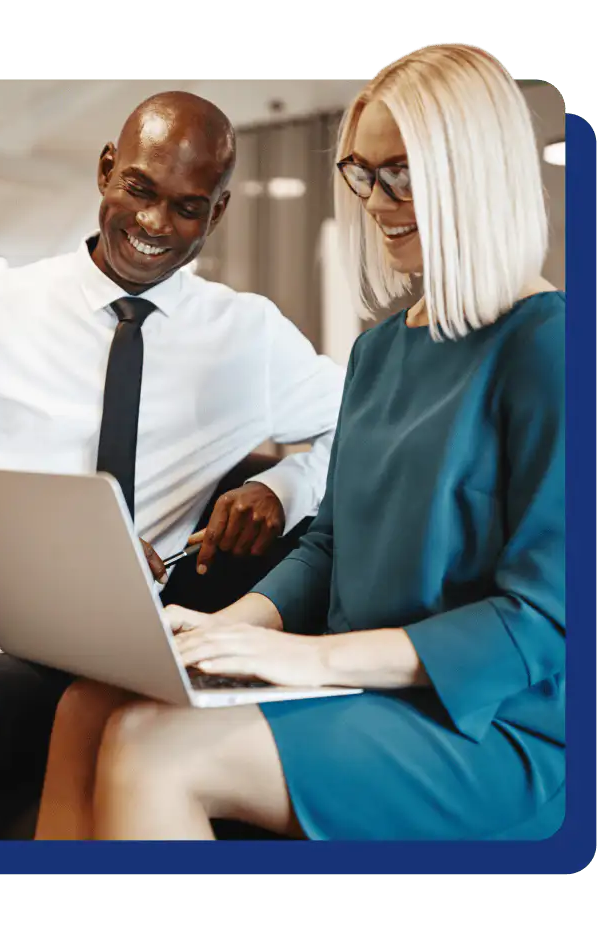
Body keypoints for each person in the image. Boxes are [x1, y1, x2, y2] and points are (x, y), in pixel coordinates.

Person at [34, 42, 566, 842]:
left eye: (404, 174)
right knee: (86, 705)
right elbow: (329, 544)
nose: (378, 201)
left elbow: (543, 621)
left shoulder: (553, 348)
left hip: (491, 725)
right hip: (362, 690)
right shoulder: (381, 351)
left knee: (156, 752)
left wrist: (315, 661)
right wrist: (228, 626)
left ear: (475, 172)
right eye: (363, 172)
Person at [0, 91, 345, 837]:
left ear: (219, 211)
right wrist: (53, 550)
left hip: (89, 631)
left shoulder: (249, 337)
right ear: (107, 172)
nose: (156, 225)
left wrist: (283, 485)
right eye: (140, 189)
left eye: (189, 207)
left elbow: (358, 427)